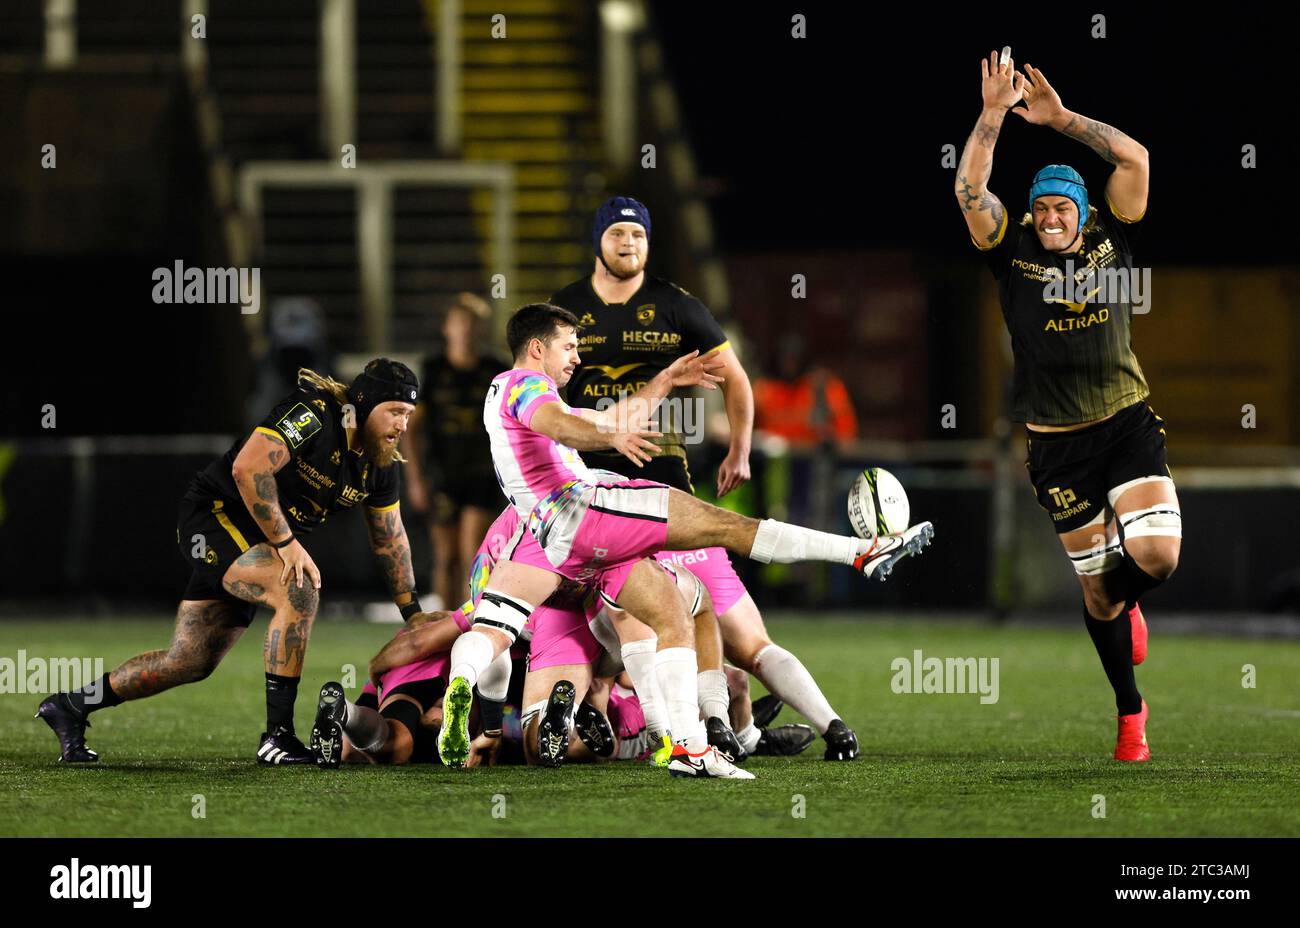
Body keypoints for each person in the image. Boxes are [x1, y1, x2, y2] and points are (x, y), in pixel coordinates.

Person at [438, 303, 933, 778]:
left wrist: (664, 382)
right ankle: (859, 552)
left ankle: (679, 745)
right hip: (586, 508)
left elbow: (601, 421)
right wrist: (608, 440)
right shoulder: (527, 385)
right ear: (537, 348)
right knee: (724, 527)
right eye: (569, 346)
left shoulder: (501, 391)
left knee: (640, 617)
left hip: (551, 538)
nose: (577, 357)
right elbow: (561, 424)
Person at [550, 198, 865, 761]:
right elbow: (540, 397)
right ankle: (698, 736)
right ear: (596, 240)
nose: (629, 243)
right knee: (635, 635)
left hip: (666, 489)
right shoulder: (566, 310)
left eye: (639, 235)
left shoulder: (675, 306)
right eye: (618, 233)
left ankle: (733, 732)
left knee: (736, 641)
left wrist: (740, 447)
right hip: (588, 496)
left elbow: (735, 377)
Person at [955, 51, 1179, 761]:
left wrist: (1060, 121)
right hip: (1055, 446)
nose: (1051, 217)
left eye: (1063, 208)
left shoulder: (1114, 237)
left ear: (1082, 213)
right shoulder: (1010, 249)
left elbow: (1136, 156)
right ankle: (1129, 713)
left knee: (1157, 557)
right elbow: (968, 190)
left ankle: (1127, 601)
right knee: (1102, 599)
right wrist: (993, 116)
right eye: (1043, 207)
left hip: (1126, 425)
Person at [37, 361, 425, 765]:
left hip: (258, 541)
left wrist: (412, 612)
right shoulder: (315, 413)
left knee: (188, 661)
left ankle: (70, 706)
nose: (402, 425)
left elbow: (389, 538)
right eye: (395, 412)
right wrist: (287, 542)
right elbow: (248, 466)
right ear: (362, 404)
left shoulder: (379, 464)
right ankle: (278, 737)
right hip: (215, 517)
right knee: (300, 588)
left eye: (409, 415)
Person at [403, 293, 503, 610]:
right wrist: (415, 478)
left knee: (473, 552)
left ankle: (472, 622)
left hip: (483, 473)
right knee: (445, 557)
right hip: (443, 475)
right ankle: (445, 622)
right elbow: (412, 429)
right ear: (447, 328)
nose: (467, 331)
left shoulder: (495, 369)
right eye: (460, 323)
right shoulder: (432, 370)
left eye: (474, 324)